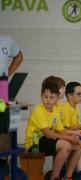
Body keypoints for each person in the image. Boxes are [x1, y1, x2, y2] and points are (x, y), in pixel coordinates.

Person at [24, 82, 81, 180]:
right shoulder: (38, 111)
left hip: (46, 141)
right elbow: (48, 134)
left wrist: (74, 137)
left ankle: (68, 176)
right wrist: (69, 138)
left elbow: (61, 131)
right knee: (66, 145)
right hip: (34, 143)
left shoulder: (55, 111)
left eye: (51, 97)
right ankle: (54, 177)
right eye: (45, 97)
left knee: (79, 144)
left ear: (56, 98)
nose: (48, 100)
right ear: (41, 96)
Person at [0, 33, 23, 167]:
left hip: (2, 85)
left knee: (6, 124)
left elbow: (19, 56)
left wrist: (8, 71)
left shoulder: (7, 40)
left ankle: (3, 162)